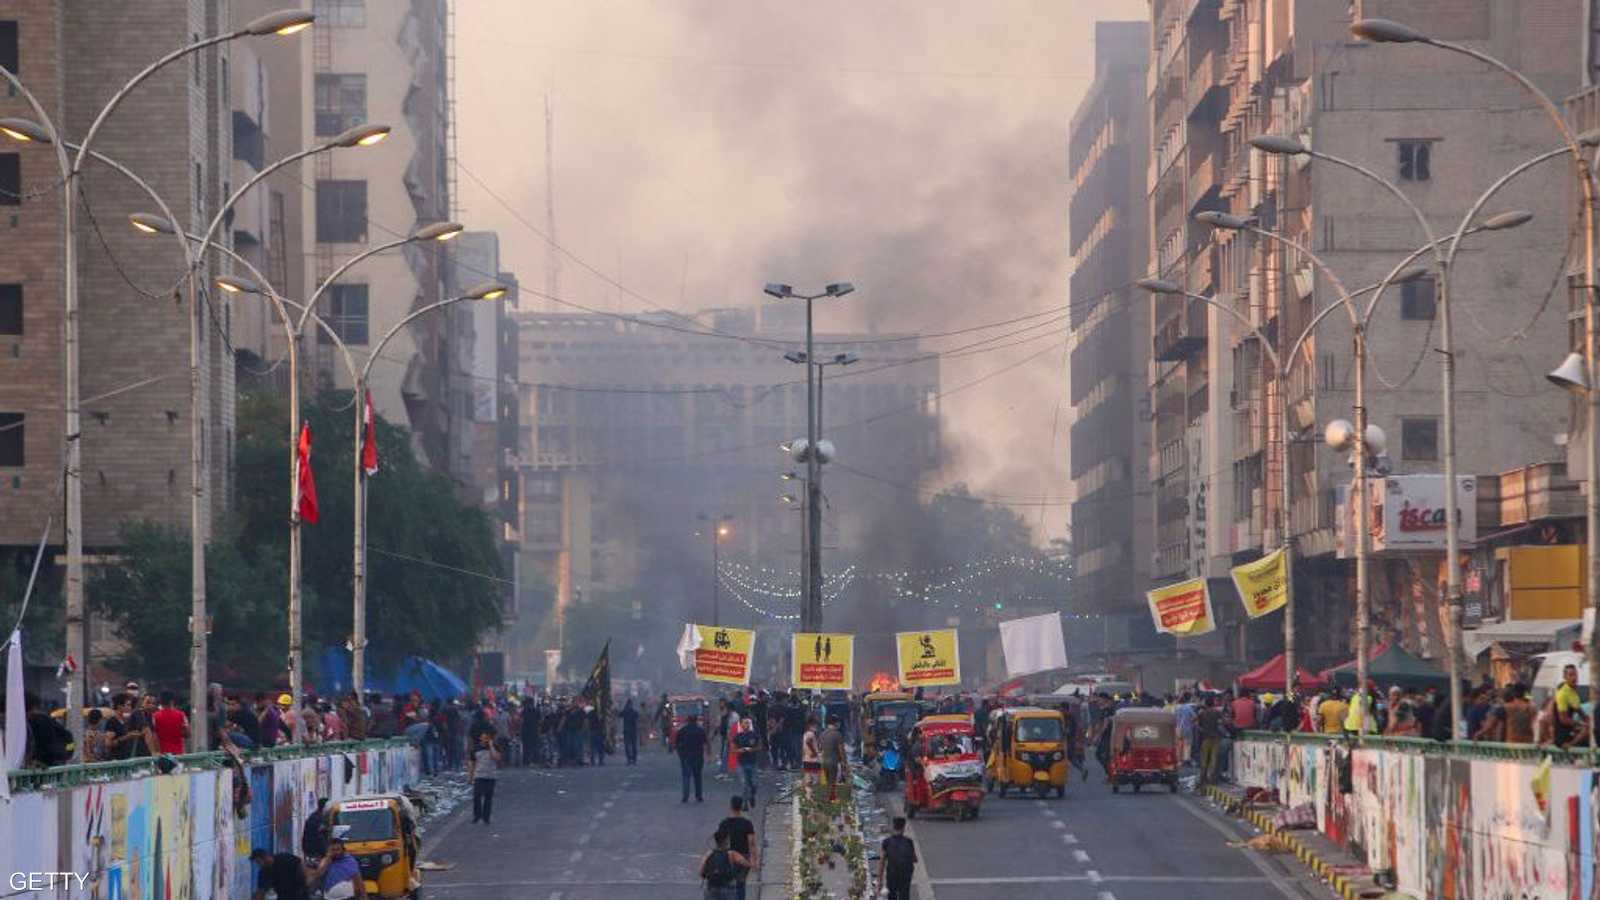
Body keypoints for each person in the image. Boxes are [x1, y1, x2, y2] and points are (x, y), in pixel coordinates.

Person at [717, 795, 759, 900]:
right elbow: (752, 844)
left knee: (728, 884)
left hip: (728, 858)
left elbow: (719, 842)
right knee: (741, 884)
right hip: (743, 858)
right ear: (741, 807)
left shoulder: (724, 824)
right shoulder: (747, 824)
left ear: (730, 806)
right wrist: (754, 861)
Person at [699, 828, 748, 900]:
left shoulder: (709, 854)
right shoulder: (731, 854)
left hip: (711, 888)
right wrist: (739, 876)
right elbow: (746, 864)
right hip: (728, 888)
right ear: (726, 840)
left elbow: (701, 872)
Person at [878, 816, 918, 900]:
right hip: (905, 874)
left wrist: (880, 880)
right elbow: (914, 859)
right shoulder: (909, 841)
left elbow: (882, 862)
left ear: (893, 827)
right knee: (904, 894)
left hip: (892, 874)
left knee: (892, 895)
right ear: (903, 828)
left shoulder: (886, 842)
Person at [469, 729, 502, 824]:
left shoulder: (495, 747)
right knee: (477, 796)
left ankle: (486, 817)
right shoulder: (475, 749)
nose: (485, 740)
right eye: (483, 738)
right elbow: (472, 763)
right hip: (479, 775)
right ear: (480, 739)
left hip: (491, 775)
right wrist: (471, 776)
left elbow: (497, 758)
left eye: (487, 738)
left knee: (488, 797)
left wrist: (491, 746)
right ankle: (477, 815)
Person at [675, 713, 709, 803]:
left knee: (686, 776)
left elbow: (677, 744)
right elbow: (705, 744)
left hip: (686, 756)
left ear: (688, 720)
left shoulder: (682, 730)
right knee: (698, 777)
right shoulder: (700, 730)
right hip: (698, 756)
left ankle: (685, 796)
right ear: (696, 720)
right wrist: (707, 755)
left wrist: (680, 754)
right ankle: (699, 796)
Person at [1555, 664, 1590, 747]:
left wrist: (1588, 720)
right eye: (1571, 675)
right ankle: (1570, 745)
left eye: (1575, 675)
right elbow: (1563, 719)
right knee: (1588, 730)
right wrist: (1581, 724)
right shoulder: (1562, 694)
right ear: (1565, 677)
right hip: (1563, 735)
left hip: (1572, 730)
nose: (1574, 678)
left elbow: (1581, 713)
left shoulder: (1573, 692)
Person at [732, 713, 760, 806]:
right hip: (741, 763)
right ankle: (745, 803)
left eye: (748, 723)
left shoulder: (755, 735)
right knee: (744, 784)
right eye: (744, 723)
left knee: (754, 783)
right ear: (741, 724)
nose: (746, 725)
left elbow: (760, 746)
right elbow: (733, 749)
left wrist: (752, 749)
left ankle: (752, 795)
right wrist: (740, 750)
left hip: (752, 762)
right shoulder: (737, 736)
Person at [151, 690, 190, 755]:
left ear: (160, 702)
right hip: (178, 754)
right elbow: (187, 734)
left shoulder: (154, 716)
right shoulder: (181, 715)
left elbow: (153, 736)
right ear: (172, 701)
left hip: (162, 755)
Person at [817, 715, 846, 801]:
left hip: (824, 760)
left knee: (828, 780)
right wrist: (844, 762)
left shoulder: (822, 734)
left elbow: (819, 747)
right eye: (838, 722)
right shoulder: (837, 734)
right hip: (833, 761)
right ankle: (830, 798)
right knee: (832, 781)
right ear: (836, 723)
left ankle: (828, 797)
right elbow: (841, 750)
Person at [1196, 696, 1223, 785]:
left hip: (1205, 738)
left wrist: (1202, 730)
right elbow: (1221, 724)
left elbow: (1196, 725)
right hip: (1216, 738)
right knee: (1213, 759)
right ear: (1213, 703)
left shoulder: (1202, 713)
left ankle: (1203, 779)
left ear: (1205, 704)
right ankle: (1212, 779)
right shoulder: (1217, 712)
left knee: (1204, 759)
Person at [301, 798, 330, 862]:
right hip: (316, 853)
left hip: (314, 852)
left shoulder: (316, 817)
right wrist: (325, 852)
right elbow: (319, 836)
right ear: (325, 807)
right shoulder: (316, 819)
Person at [800, 716, 822, 784]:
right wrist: (814, 752)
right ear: (811, 724)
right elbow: (808, 742)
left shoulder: (806, 733)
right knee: (815, 779)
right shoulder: (810, 733)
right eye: (816, 725)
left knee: (808, 779)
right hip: (813, 760)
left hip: (806, 759)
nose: (817, 727)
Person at [621, 698, 640, 765]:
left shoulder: (632, 712)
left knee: (632, 746)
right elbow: (619, 715)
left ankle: (632, 759)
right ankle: (630, 759)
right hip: (628, 731)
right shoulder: (629, 712)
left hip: (631, 731)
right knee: (628, 746)